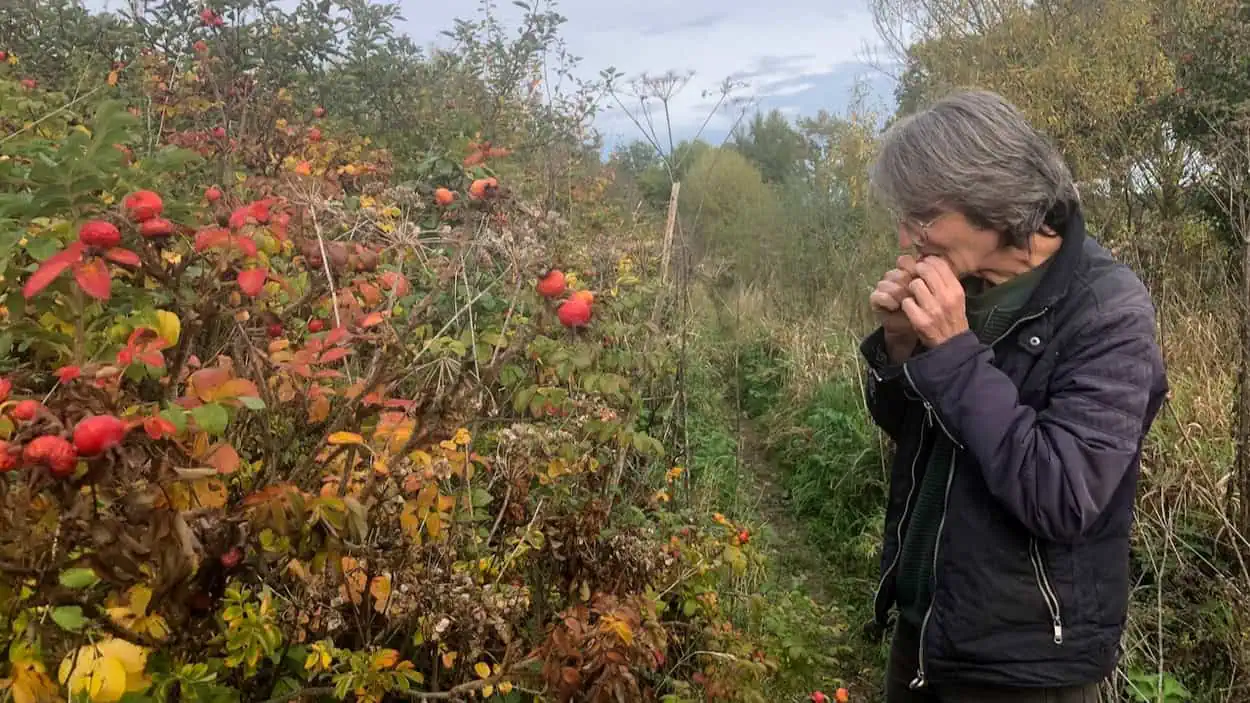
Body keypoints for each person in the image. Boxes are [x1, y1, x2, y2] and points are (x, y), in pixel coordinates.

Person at [860, 88, 1169, 703]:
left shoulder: (1108, 312)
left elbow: (1063, 495)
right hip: (929, 634)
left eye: (923, 216)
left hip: (1025, 668)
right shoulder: (968, 287)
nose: (906, 235)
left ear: (993, 202)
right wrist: (902, 351)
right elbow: (918, 435)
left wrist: (951, 352)